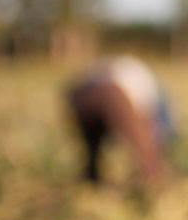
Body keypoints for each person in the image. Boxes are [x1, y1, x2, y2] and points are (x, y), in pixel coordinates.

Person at [66, 55, 173, 186]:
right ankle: (152, 182)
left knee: (93, 150)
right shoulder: (161, 112)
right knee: (150, 162)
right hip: (115, 91)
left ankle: (92, 175)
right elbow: (154, 129)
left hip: (82, 92)